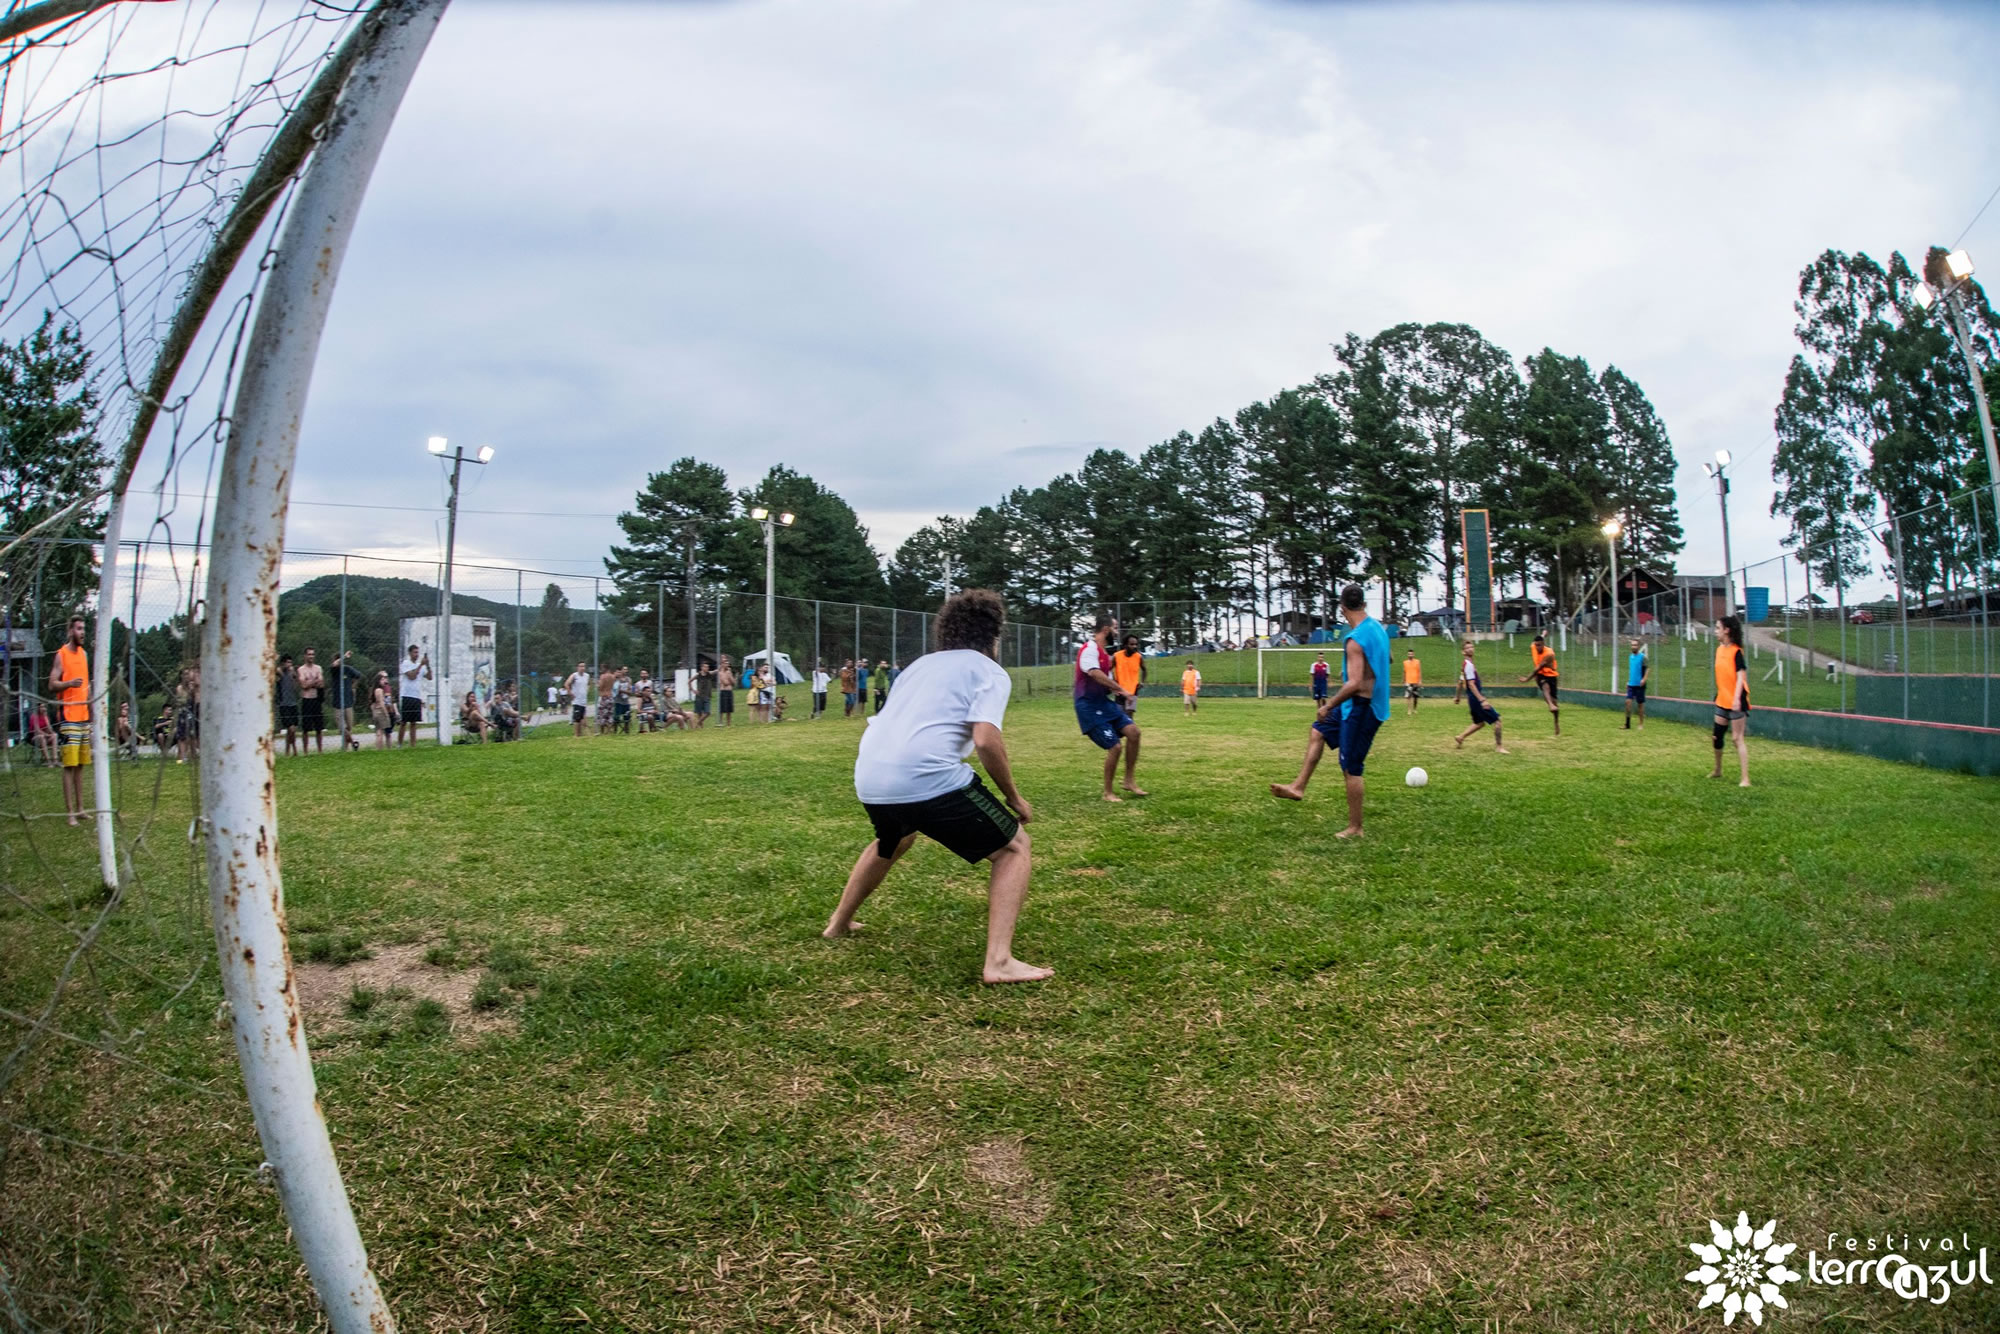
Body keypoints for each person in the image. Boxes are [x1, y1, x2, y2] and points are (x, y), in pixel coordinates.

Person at [822, 588, 1048, 985]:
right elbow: (986, 739)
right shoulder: (987, 669)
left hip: (871, 774)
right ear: (993, 635)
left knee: (893, 839)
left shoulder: (918, 666)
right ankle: (999, 962)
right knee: (1015, 848)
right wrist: (1014, 798)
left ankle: (838, 924)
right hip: (927, 776)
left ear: (946, 630)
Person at [1269, 584, 1390, 840]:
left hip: (1362, 708)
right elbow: (1387, 659)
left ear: (1343, 608)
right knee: (1318, 731)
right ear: (1364, 604)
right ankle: (1298, 787)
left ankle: (1356, 828)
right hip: (1355, 704)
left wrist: (1329, 704)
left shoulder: (1355, 640)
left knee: (1351, 767)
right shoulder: (1378, 628)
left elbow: (1354, 683)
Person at [1074, 614, 1145, 801]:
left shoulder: (1104, 654)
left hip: (1104, 704)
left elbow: (1105, 680)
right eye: (1115, 628)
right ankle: (1108, 792)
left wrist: (1122, 693)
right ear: (1105, 629)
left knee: (1134, 732)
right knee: (1115, 747)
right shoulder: (1089, 649)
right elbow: (1094, 673)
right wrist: (1120, 688)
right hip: (1088, 706)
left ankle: (1129, 781)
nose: (1116, 632)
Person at [50, 616, 91, 825]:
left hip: (83, 717)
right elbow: (52, 684)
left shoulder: (84, 654)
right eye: (78, 628)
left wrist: (91, 706)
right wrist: (69, 683)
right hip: (68, 717)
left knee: (81, 764)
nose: (82, 632)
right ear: (70, 631)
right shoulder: (61, 654)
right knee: (69, 765)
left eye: (84, 628)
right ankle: (70, 813)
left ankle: (81, 808)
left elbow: (86, 684)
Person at [1711, 614, 1751, 787]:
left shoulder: (1736, 652)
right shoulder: (1720, 649)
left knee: (1737, 739)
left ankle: (1745, 779)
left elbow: (1741, 677)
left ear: (1727, 630)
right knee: (1716, 736)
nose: (1715, 631)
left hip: (1736, 700)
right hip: (1722, 699)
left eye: (1718, 628)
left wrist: (1736, 700)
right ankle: (1718, 770)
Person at [1452, 640, 1507, 753]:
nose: (1470, 649)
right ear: (1463, 652)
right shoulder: (1469, 665)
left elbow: (1460, 682)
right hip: (1476, 699)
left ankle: (1461, 737)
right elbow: (1471, 684)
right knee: (1497, 720)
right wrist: (1482, 700)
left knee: (1479, 723)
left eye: (1472, 647)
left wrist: (1457, 697)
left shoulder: (1465, 665)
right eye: (1467, 648)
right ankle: (1499, 747)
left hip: (1472, 699)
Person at [1518, 633, 1560, 736]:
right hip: (1541, 676)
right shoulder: (1533, 646)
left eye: (1540, 645)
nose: (1537, 647)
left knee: (1555, 702)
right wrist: (1543, 634)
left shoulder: (1549, 653)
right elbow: (1536, 641)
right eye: (1536, 645)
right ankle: (1550, 705)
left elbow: (1538, 668)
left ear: (1543, 644)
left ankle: (1556, 722)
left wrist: (1526, 679)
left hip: (1551, 675)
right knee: (1545, 686)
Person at [329, 651, 363, 751]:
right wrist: (344, 656)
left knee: (349, 728)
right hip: (338, 703)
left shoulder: (348, 669)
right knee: (342, 728)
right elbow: (334, 665)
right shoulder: (334, 671)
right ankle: (353, 743)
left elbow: (358, 675)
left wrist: (353, 687)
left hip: (348, 702)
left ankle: (344, 750)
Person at [397, 645, 430, 746]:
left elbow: (430, 677)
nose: (417, 655)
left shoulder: (421, 665)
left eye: (417, 652)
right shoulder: (406, 664)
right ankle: (400, 744)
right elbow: (412, 676)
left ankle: (413, 745)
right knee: (404, 722)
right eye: (415, 652)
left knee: (413, 722)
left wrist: (428, 665)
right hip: (407, 695)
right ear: (410, 653)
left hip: (416, 696)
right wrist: (420, 666)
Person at [296, 647, 327, 753]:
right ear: (305, 656)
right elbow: (303, 685)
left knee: (319, 728)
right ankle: (305, 751)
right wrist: (314, 682)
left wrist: (310, 682)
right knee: (306, 728)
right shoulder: (301, 669)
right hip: (306, 700)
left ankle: (320, 750)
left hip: (316, 699)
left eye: (313, 654)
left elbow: (322, 683)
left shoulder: (318, 668)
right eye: (309, 654)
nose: (311, 656)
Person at [275, 654, 302, 757]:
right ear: (283, 663)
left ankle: (287, 752)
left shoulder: (292, 673)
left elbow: (296, 687)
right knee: (290, 729)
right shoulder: (280, 672)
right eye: (287, 662)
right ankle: (294, 749)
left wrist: (295, 675)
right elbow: (276, 670)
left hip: (293, 703)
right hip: (284, 704)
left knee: (292, 730)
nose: (289, 664)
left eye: (290, 662)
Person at [1113, 634, 1147, 713]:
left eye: (1136, 644)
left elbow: (1144, 670)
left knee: (1129, 715)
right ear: (1125, 645)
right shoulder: (1117, 656)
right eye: (1132, 644)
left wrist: (1142, 682)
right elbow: (1109, 669)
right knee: (1119, 714)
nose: (1134, 646)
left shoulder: (1138, 657)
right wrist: (1113, 682)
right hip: (1120, 690)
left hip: (1133, 690)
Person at [1624, 637, 1650, 729]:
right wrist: (1628, 681)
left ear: (1638, 646)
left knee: (1640, 705)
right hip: (1631, 684)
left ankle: (1641, 724)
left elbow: (1648, 668)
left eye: (1635, 645)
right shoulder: (1630, 657)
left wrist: (1644, 679)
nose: (1633, 647)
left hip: (1640, 685)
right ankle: (1627, 724)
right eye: (1632, 645)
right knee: (1628, 702)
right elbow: (1632, 670)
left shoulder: (1642, 657)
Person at [369, 671, 396, 749]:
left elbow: (373, 704)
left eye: (385, 678)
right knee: (380, 732)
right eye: (382, 679)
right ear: (378, 681)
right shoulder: (379, 690)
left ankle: (379, 748)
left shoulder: (376, 690)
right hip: (381, 712)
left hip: (377, 712)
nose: (384, 681)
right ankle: (380, 748)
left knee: (379, 731)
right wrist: (386, 713)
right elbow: (381, 703)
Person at [566, 661, 591, 737]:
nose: (582, 668)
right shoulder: (574, 675)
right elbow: (566, 684)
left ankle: (581, 734)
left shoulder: (587, 676)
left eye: (584, 666)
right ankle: (576, 735)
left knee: (581, 718)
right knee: (577, 718)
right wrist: (570, 693)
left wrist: (587, 690)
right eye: (581, 666)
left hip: (583, 700)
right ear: (577, 667)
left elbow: (589, 684)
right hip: (577, 700)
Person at [716, 656, 737, 726]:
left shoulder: (729, 672)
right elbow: (725, 683)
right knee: (722, 708)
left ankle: (729, 723)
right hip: (723, 691)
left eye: (727, 664)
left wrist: (730, 676)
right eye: (725, 663)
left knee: (729, 708)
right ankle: (720, 722)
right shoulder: (720, 673)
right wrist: (729, 681)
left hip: (729, 691)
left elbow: (734, 683)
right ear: (722, 664)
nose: (727, 665)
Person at [693, 660, 715, 727]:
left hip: (707, 696)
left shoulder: (709, 674)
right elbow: (689, 681)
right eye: (705, 667)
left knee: (707, 712)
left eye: (708, 667)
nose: (707, 668)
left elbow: (716, 671)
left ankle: (696, 724)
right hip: (699, 696)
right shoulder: (698, 675)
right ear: (702, 668)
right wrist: (693, 690)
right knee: (699, 713)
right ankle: (701, 728)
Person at [1402, 648, 1422, 715]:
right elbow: (1404, 672)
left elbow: (1419, 671)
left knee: (1415, 697)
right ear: (1407, 655)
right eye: (1409, 654)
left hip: (1415, 682)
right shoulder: (1405, 662)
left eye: (1411, 654)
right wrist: (1404, 680)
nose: (1410, 655)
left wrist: (1420, 681)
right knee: (1408, 697)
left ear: (1413, 654)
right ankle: (1409, 710)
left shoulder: (1417, 662)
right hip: (1408, 682)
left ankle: (1415, 709)